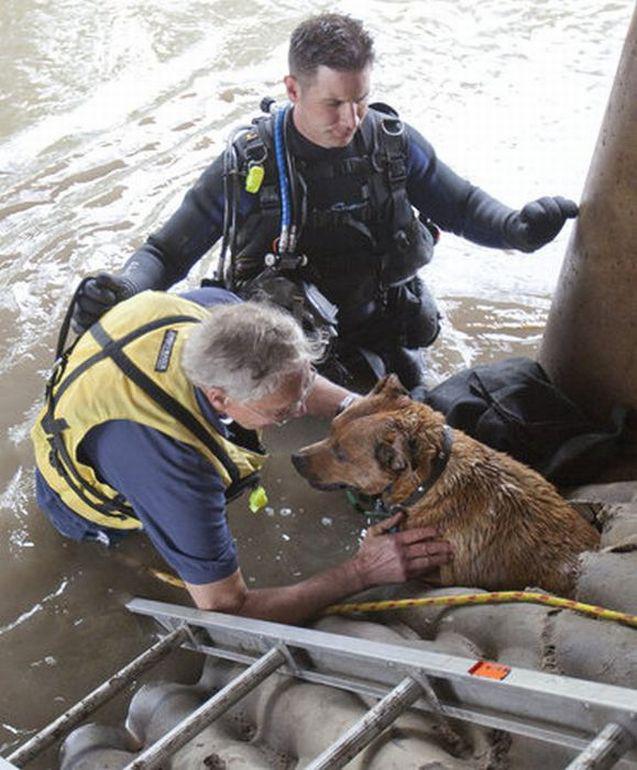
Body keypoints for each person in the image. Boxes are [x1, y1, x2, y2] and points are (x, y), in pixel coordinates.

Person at [71, 13, 578, 389]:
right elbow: (166, 253)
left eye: (360, 100)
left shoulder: (391, 144)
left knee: (419, 422)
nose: (350, 119)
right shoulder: (249, 164)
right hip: (284, 347)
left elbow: (463, 207)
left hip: (381, 326)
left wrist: (518, 230)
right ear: (293, 88)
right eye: (333, 104)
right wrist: (123, 288)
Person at [32, 286, 453, 624]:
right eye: (282, 412)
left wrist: (364, 412)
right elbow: (224, 606)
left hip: (113, 390)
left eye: (306, 384)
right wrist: (363, 572)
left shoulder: (224, 316)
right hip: (83, 496)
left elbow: (290, 379)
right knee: (152, 559)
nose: (300, 411)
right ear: (220, 399)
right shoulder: (174, 466)